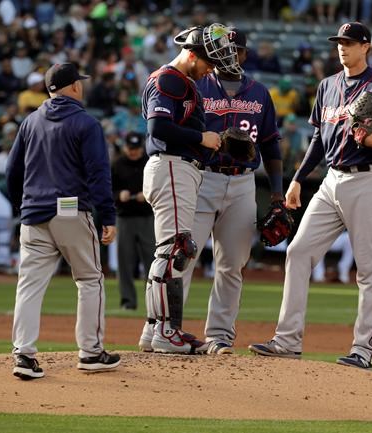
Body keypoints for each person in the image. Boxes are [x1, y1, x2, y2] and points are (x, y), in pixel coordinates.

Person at [249, 22, 372, 370]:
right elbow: (317, 138)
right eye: (340, 42)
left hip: (368, 180)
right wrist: (297, 179)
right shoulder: (327, 86)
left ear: (366, 47)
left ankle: (363, 350)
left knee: (368, 269)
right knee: (297, 251)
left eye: (350, 42)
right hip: (331, 180)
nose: (343, 47)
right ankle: (287, 340)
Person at [6, 63, 121, 380]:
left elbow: (12, 173)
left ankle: (24, 356)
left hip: (33, 212)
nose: (81, 86)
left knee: (29, 285)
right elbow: (99, 175)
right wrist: (107, 216)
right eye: (79, 82)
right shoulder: (86, 123)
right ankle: (91, 352)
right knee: (89, 279)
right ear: (72, 87)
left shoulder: (30, 122)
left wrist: (24, 205)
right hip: (70, 209)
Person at [136, 23, 239, 354]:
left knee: (168, 251)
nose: (212, 69)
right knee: (176, 250)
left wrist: (219, 145)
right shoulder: (170, 79)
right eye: (209, 62)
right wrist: (202, 138)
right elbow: (159, 127)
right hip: (171, 166)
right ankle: (167, 332)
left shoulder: (182, 83)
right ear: (193, 54)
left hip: (177, 167)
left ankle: (155, 330)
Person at [181, 28, 283, 355]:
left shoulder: (259, 93)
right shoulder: (197, 86)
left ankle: (220, 335)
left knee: (232, 264)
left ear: (243, 54)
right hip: (202, 176)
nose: (228, 55)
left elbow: (270, 144)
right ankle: (167, 329)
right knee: (183, 256)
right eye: (222, 49)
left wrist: (278, 194)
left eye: (234, 49)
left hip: (242, 183)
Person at [111, 131, 154, 310]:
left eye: (136, 149)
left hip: (147, 218)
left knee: (152, 262)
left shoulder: (150, 163)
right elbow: (107, 192)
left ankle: (153, 303)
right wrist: (119, 195)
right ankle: (128, 301)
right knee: (124, 263)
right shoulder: (117, 164)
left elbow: (160, 187)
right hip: (125, 218)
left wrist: (148, 195)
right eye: (130, 148)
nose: (134, 152)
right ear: (125, 147)